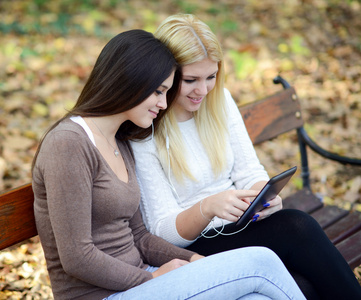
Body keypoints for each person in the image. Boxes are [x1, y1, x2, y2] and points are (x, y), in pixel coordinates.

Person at [31, 29, 306, 300]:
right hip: (105, 294)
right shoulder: (68, 143)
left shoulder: (120, 141)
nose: (164, 104)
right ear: (130, 82)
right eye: (159, 92)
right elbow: (77, 257)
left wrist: (195, 259)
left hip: (144, 280)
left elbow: (139, 236)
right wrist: (150, 278)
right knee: (261, 263)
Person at [130, 14, 361, 300]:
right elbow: (161, 233)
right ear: (165, 74)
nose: (203, 90)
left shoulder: (219, 101)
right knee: (297, 228)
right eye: (191, 80)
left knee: (304, 276)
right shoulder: (145, 127)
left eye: (211, 77)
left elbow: (249, 170)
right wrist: (208, 208)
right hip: (193, 250)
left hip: (242, 227)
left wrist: (261, 194)